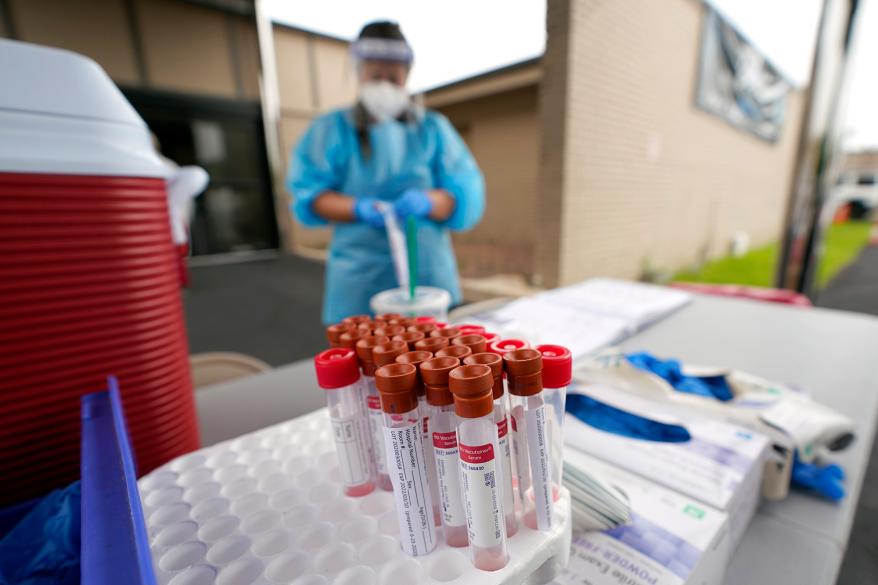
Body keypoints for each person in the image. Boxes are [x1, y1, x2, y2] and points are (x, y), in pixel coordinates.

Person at [287, 20, 485, 325]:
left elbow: (463, 193)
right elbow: (310, 196)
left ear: (407, 75)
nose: (384, 85)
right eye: (376, 76)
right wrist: (358, 209)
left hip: (429, 273)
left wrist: (428, 201)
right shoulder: (330, 130)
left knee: (436, 359)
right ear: (359, 72)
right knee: (365, 361)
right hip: (359, 282)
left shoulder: (432, 129)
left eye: (393, 78)